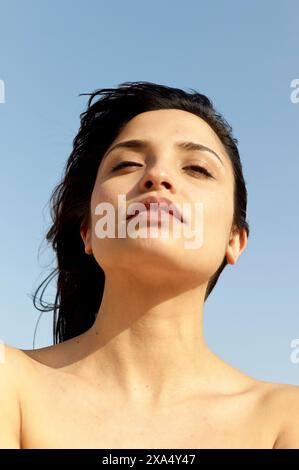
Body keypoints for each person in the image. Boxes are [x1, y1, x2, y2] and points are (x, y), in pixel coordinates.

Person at [1, 81, 298, 449]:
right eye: (126, 164)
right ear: (89, 231)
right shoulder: (9, 383)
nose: (157, 178)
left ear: (234, 240)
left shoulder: (285, 418)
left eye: (197, 168)